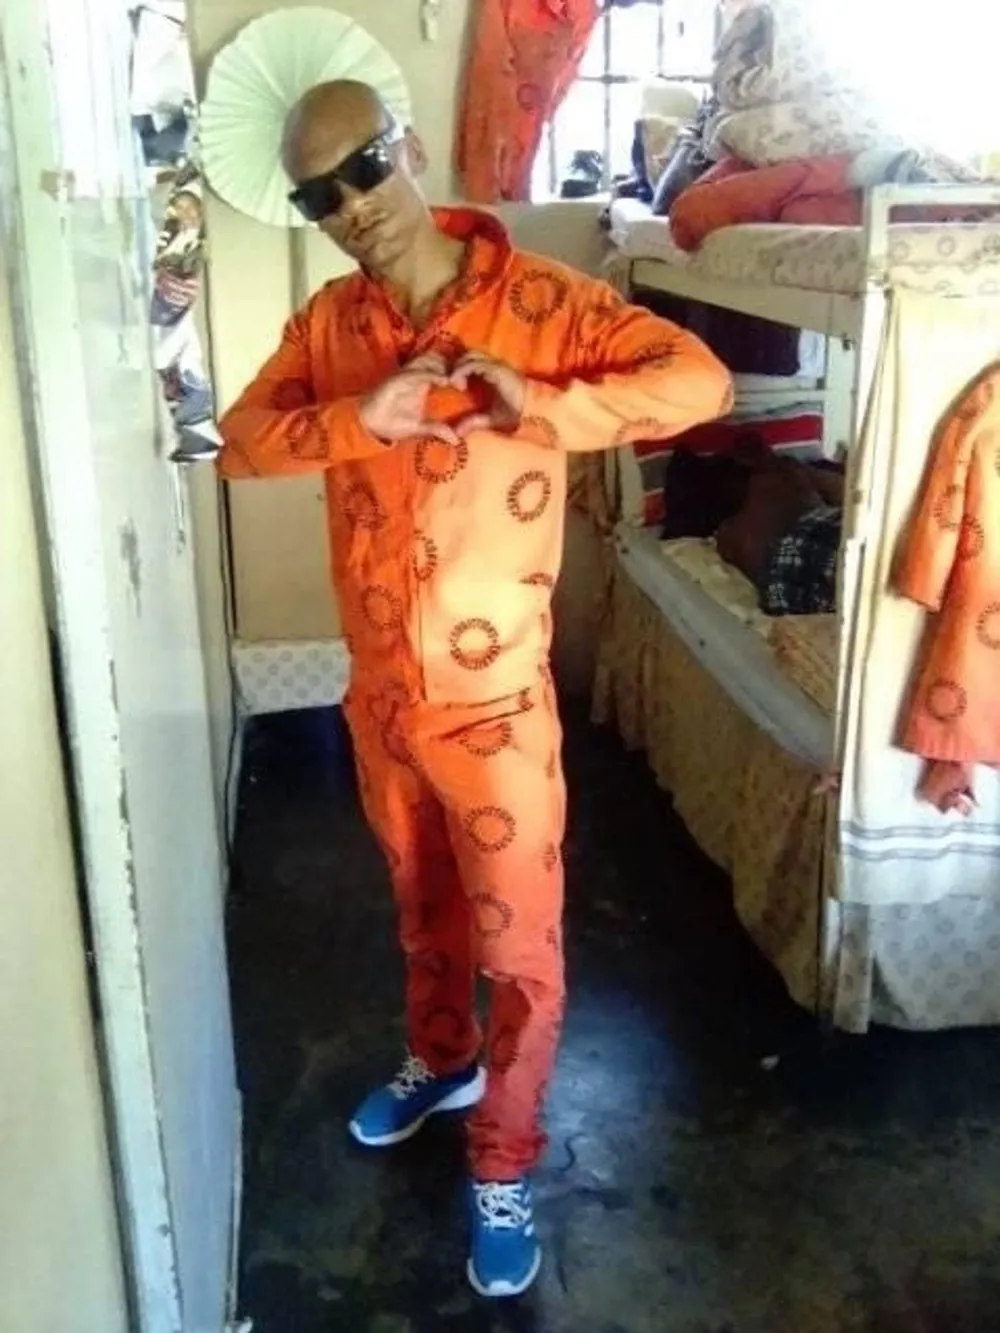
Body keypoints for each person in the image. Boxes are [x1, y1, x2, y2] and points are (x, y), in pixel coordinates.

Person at [217, 79, 732, 1299]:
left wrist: (539, 402)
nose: (348, 207)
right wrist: (359, 417)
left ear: (402, 148)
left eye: (360, 170)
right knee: (422, 912)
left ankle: (502, 1157)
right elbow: (236, 442)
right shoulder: (330, 325)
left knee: (522, 950)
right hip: (380, 701)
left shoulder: (542, 302)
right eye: (316, 195)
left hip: (496, 707)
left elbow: (698, 384)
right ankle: (440, 1060)